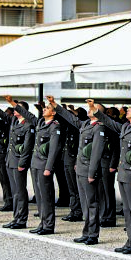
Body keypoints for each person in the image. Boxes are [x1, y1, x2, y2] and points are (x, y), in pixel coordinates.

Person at [90, 100, 131, 254]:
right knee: (127, 210)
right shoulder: (125, 127)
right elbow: (108, 122)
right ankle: (130, 241)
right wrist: (95, 110)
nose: (127, 110)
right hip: (123, 175)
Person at [50, 96, 104, 244]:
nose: (89, 110)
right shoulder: (86, 124)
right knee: (85, 203)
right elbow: (70, 118)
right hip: (80, 168)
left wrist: (92, 172)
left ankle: (93, 234)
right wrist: (55, 105)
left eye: (93, 108)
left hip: (89, 170)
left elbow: (96, 152)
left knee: (92, 203)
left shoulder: (99, 127)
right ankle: (86, 232)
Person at [8, 95, 61, 235]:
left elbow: (54, 149)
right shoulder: (40, 123)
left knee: (47, 196)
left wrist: (49, 167)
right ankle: (42, 223)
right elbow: (27, 114)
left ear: (54, 113)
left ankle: (48, 225)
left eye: (48, 108)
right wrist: (12, 103)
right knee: (39, 195)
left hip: (44, 165)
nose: (44, 109)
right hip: (35, 164)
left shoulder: (55, 127)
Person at [0, 98, 35, 230]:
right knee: (15, 192)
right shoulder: (14, 120)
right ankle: (16, 217)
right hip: (10, 161)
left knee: (20, 192)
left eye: (17, 108)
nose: (14, 110)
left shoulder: (28, 125)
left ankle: (21, 219)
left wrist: (22, 162)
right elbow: (2, 115)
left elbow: (27, 147)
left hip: (19, 162)